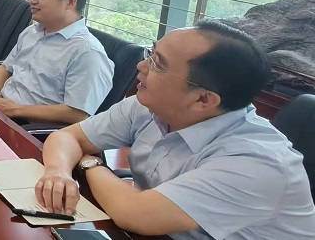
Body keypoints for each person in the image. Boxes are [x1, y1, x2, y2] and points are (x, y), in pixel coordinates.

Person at [34, 22, 315, 239]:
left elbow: (136, 214)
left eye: (158, 63)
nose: (141, 66)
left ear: (203, 99)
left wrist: (90, 162)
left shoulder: (258, 163)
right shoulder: (149, 105)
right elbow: (67, 136)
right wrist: (58, 172)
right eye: (151, 52)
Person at [0, 0, 113, 125]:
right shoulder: (32, 32)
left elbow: (78, 114)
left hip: (30, 128)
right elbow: (5, 68)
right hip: (2, 109)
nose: (32, 1)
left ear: (70, 2)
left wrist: (16, 109)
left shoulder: (87, 53)